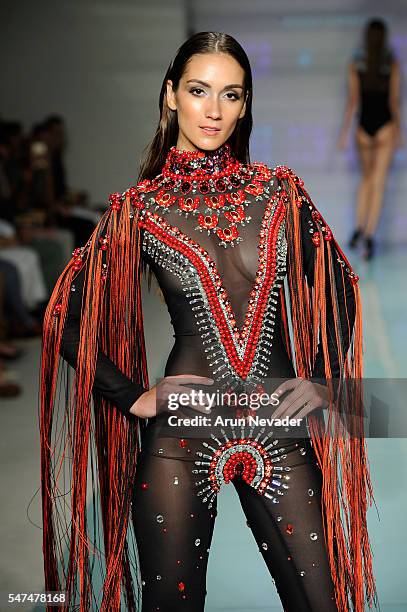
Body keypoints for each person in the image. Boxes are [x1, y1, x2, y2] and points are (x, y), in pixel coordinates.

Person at [40, 32, 378, 612]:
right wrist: (133, 397)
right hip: (183, 429)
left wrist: (321, 376)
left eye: (232, 95)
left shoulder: (279, 192)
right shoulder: (138, 207)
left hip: (278, 421)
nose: (214, 111)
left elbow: (340, 288)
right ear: (171, 95)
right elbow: (64, 316)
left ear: (246, 105)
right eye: (199, 91)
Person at [338, 17, 402, 260]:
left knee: (366, 180)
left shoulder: (357, 63)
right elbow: (393, 102)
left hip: (363, 128)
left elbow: (353, 101)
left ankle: (359, 228)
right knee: (378, 182)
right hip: (385, 125)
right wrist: (399, 133)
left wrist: (345, 133)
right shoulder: (391, 63)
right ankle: (369, 235)